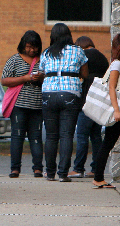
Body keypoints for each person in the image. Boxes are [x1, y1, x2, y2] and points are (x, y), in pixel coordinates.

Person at [39, 23, 88, 182]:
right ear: (68, 35)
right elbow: (85, 74)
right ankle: (63, 173)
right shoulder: (78, 51)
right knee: (66, 135)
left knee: (51, 136)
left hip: (49, 94)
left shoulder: (46, 53)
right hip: (70, 93)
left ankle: (50, 173)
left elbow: (41, 74)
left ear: (53, 36)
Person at [92, 34, 120, 189]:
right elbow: (111, 87)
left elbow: (119, 87)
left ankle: (98, 178)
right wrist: (116, 110)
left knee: (108, 143)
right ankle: (98, 178)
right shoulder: (117, 64)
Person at [1, 30, 44, 178]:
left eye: (35, 47)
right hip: (18, 105)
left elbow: (49, 80)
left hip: (38, 105)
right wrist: (25, 78)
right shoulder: (14, 60)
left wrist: (41, 78)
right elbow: (5, 80)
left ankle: (38, 168)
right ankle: (15, 169)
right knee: (17, 136)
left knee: (36, 137)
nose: (32, 50)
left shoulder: (42, 60)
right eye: (29, 47)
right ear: (23, 45)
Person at [68, 36, 109, 178]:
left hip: (87, 100)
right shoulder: (102, 57)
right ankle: (96, 168)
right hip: (100, 101)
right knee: (96, 136)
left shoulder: (84, 55)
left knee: (82, 135)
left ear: (80, 46)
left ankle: (78, 168)